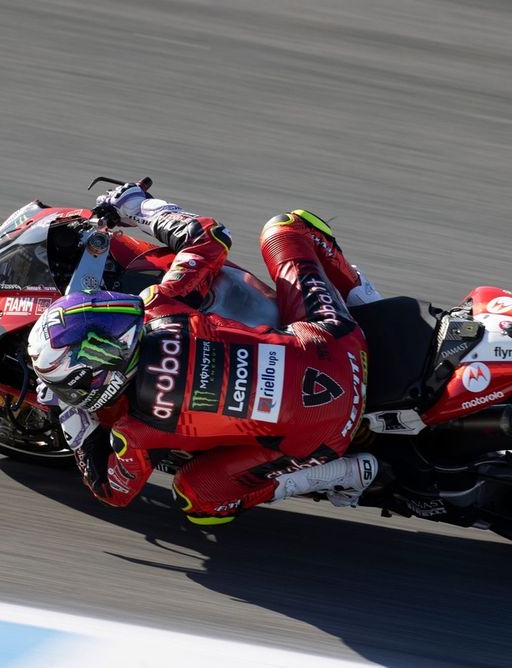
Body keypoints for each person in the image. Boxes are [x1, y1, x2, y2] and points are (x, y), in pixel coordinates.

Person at [27, 183, 382, 524]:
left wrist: (72, 419)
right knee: (288, 227)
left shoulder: (135, 432)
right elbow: (210, 237)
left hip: (326, 435)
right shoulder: (161, 307)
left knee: (197, 499)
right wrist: (136, 207)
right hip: (340, 344)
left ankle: (341, 475)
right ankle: (374, 309)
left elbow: (113, 492)